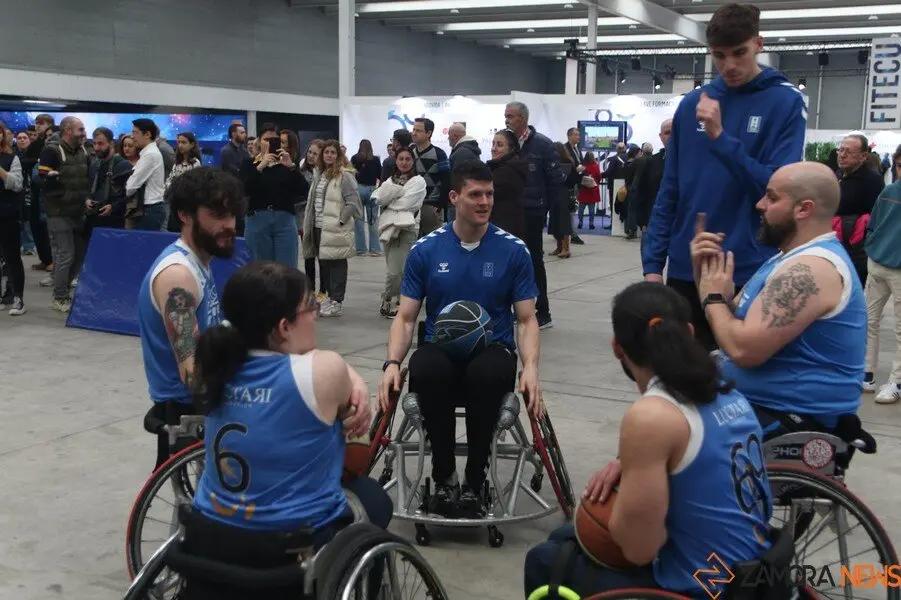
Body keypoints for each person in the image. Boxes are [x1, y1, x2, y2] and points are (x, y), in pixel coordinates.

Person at [524, 281, 772, 599]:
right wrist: (629, 464)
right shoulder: (727, 389)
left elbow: (639, 549)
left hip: (707, 587)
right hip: (752, 568)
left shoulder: (652, 416)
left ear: (617, 347)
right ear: (690, 332)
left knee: (544, 560)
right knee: (565, 537)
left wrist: (623, 500)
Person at [183, 261, 391, 599]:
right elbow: (331, 373)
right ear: (283, 327)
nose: (317, 315)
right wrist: (352, 378)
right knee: (376, 500)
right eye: (311, 306)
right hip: (289, 544)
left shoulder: (215, 364)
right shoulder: (321, 372)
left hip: (209, 533)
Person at [377, 160, 542, 518]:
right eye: (475, 194)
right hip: (442, 347)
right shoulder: (426, 250)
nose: (485, 202)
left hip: (493, 349)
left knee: (486, 374)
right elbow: (405, 318)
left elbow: (527, 319)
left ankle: (474, 480)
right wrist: (392, 364)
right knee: (425, 366)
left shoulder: (514, 250)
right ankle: (444, 476)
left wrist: (530, 367)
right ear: (454, 198)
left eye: (489, 194)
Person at [642, 2, 808, 351]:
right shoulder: (692, 104)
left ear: (758, 44)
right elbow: (670, 189)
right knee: (683, 376)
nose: (729, 65)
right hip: (686, 268)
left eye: (739, 53)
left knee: (742, 374)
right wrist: (653, 265)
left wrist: (720, 138)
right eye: (719, 55)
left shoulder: (785, 102)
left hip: (748, 269)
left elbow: (775, 190)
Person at [692, 162, 866, 435]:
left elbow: (744, 350)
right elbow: (730, 325)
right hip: (758, 408)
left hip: (789, 423)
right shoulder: (789, 258)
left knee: (656, 422)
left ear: (803, 209)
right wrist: (705, 276)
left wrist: (713, 297)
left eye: (772, 198)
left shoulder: (811, 269)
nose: (760, 204)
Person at [137, 167, 247, 470]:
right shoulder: (178, 276)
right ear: (185, 215)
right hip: (188, 410)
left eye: (232, 215)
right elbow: (191, 373)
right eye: (217, 215)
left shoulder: (198, 262)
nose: (229, 225)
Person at [373, 146, 426, 319]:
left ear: (413, 161)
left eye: (408, 159)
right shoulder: (390, 180)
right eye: (401, 159)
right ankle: (393, 298)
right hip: (387, 228)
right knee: (392, 269)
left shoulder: (418, 182)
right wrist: (391, 197)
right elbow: (378, 198)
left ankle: (392, 298)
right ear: (396, 161)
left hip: (407, 229)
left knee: (398, 271)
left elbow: (407, 204)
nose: (404, 162)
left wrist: (390, 200)